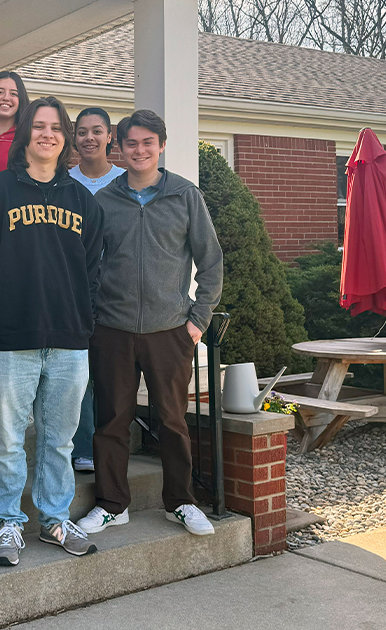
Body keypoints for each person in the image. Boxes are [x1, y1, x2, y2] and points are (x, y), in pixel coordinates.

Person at [0, 96, 103, 567]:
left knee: (59, 439)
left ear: (66, 138)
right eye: (38, 126)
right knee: (9, 440)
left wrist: (83, 321)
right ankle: (10, 523)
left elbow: (93, 271)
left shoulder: (83, 201)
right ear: (24, 136)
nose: (47, 134)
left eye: (56, 127)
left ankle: (55, 518)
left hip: (67, 342)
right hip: (6, 342)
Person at [75, 110, 223, 538]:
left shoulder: (184, 195)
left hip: (170, 330)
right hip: (113, 329)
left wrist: (198, 319)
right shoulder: (104, 200)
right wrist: (92, 316)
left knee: (174, 422)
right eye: (131, 144)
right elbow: (88, 265)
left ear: (161, 145)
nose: (139, 151)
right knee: (111, 421)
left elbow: (210, 262)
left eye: (147, 143)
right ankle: (111, 504)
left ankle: (180, 502)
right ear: (118, 148)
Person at [67, 107, 126, 474]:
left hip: (117, 289)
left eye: (97, 131)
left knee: (111, 374)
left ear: (109, 138)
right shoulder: (64, 181)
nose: (89, 137)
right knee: (81, 372)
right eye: (82, 131)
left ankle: (112, 445)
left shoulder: (124, 180)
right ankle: (84, 446)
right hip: (74, 289)